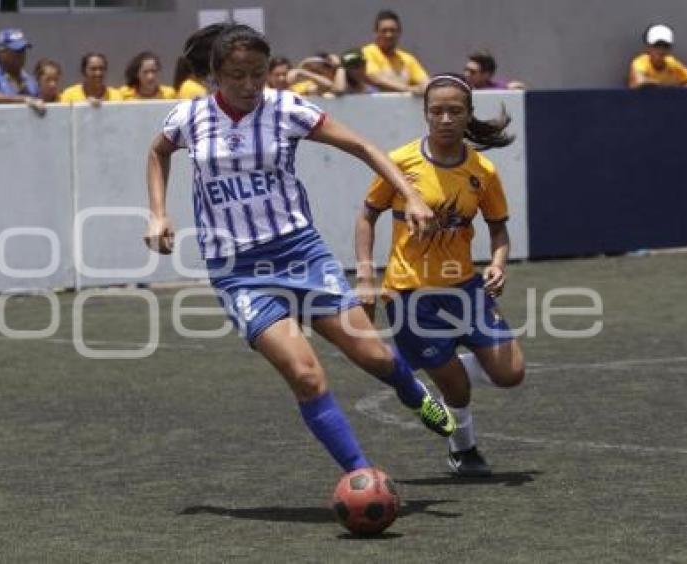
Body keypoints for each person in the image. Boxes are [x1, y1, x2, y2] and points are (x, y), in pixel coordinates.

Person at [144, 24, 456, 475]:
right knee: (306, 375)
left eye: (259, 73)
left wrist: (409, 195)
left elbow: (363, 146)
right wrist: (157, 212)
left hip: (300, 253)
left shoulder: (286, 108)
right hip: (238, 271)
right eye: (238, 76)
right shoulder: (188, 117)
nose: (251, 85)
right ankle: (361, 475)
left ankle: (414, 394)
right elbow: (157, 153)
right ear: (214, 74)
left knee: (372, 356)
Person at [355, 73, 526, 477]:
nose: (445, 118)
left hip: (466, 288)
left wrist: (498, 264)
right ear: (425, 114)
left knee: (511, 373)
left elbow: (498, 229)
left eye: (455, 111)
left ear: (468, 115)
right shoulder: (399, 163)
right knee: (457, 389)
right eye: (437, 111)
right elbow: (366, 217)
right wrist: (366, 275)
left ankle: (422, 362)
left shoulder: (482, 171)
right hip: (409, 292)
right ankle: (463, 451)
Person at [0, 28, 44, 115]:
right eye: (16, 52)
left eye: (23, 51)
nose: (21, 56)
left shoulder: (29, 81)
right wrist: (24, 99)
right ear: (1, 52)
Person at [361, 10, 429, 94]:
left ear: (399, 32)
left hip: (404, 106)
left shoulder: (407, 59)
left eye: (392, 30)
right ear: (375, 32)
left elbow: (425, 82)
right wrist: (409, 89)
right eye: (384, 30)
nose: (389, 35)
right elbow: (375, 79)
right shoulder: (367, 52)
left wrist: (425, 88)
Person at [628, 24, 687, 88]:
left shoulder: (671, 62)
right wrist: (666, 85)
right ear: (648, 47)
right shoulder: (640, 62)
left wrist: (682, 87)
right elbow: (638, 83)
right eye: (657, 45)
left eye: (665, 46)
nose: (661, 50)